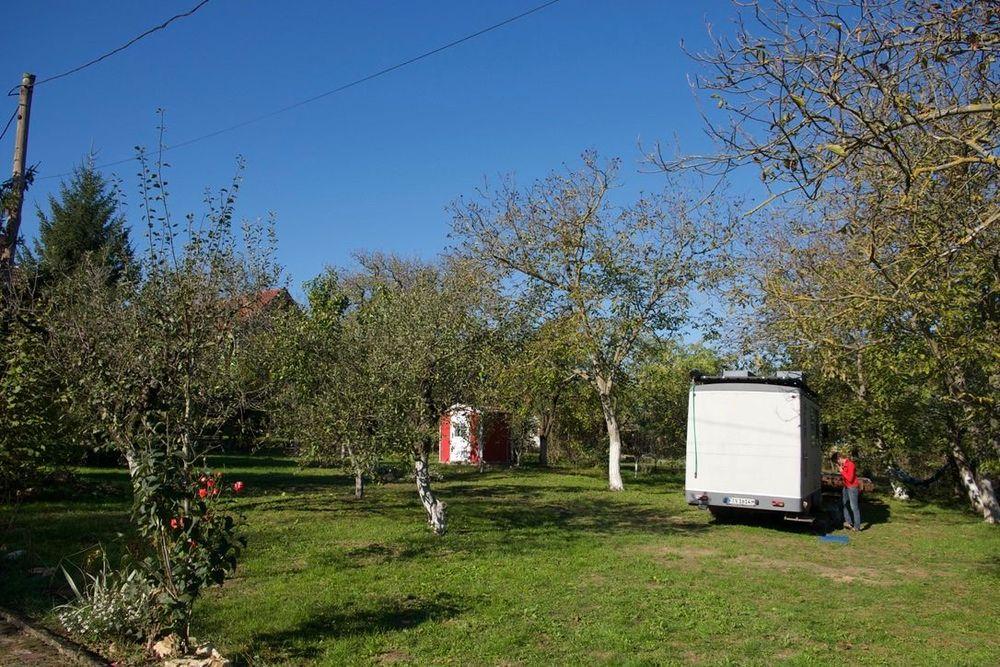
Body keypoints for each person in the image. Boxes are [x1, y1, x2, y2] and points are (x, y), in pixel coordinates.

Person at [832, 451, 862, 531]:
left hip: (852, 488)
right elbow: (845, 478)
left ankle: (857, 527)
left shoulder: (850, 464)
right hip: (846, 487)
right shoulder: (844, 465)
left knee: (854, 507)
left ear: (839, 459)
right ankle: (848, 522)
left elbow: (850, 478)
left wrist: (842, 471)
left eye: (836, 462)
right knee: (843, 504)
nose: (837, 464)